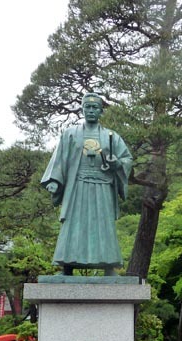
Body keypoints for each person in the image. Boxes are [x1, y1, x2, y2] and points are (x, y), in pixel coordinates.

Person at [41, 93, 133, 276]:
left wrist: (117, 164)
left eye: (95, 108)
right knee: (74, 225)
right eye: (87, 107)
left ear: (100, 111)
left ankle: (109, 265)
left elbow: (127, 159)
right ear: (82, 109)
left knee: (104, 225)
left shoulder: (111, 137)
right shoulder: (70, 135)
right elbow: (59, 160)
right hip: (78, 187)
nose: (91, 111)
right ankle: (67, 266)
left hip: (103, 187)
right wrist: (54, 181)